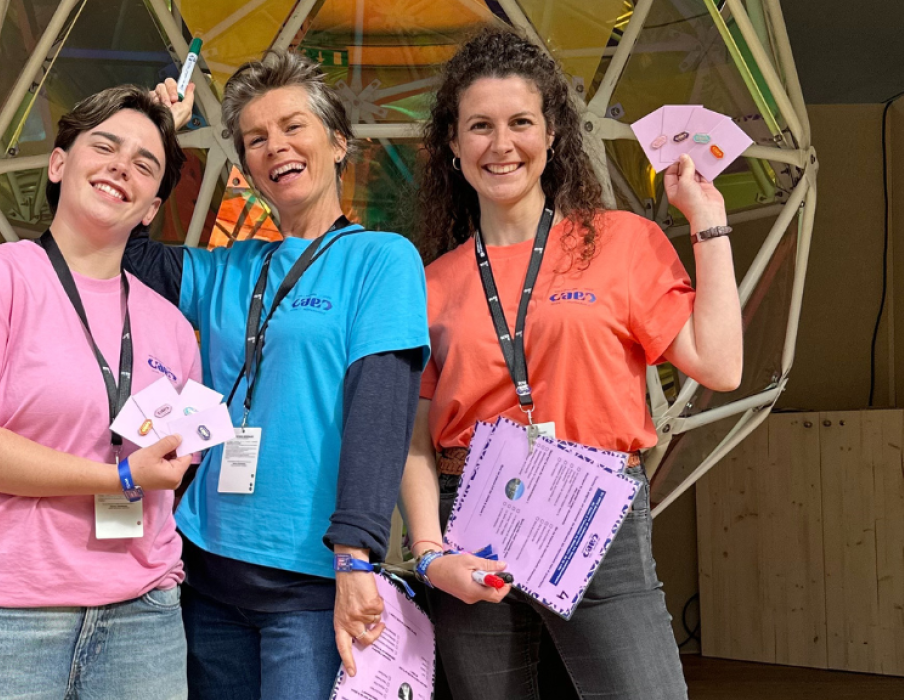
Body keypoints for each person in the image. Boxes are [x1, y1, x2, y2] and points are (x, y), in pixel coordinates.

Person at [399, 28, 742, 700]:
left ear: (552, 133)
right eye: (480, 127)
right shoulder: (429, 282)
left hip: (594, 513)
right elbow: (412, 435)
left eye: (521, 122)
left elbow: (719, 364)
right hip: (471, 518)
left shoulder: (620, 241)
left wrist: (707, 222)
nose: (502, 145)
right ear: (452, 145)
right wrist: (430, 550)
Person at [132, 51, 430, 699]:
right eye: (257, 139)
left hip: (311, 585)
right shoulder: (225, 268)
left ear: (339, 142)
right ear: (245, 168)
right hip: (205, 572)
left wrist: (356, 559)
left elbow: (381, 416)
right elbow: (123, 249)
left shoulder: (381, 259)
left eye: (293, 127)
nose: (276, 147)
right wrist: (160, 132)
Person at [0, 85, 199, 700]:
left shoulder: (171, 325)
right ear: (59, 165)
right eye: (105, 146)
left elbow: (174, 458)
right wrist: (118, 477)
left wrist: (167, 463)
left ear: (150, 210)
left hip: (142, 618)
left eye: (146, 164)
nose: (122, 166)